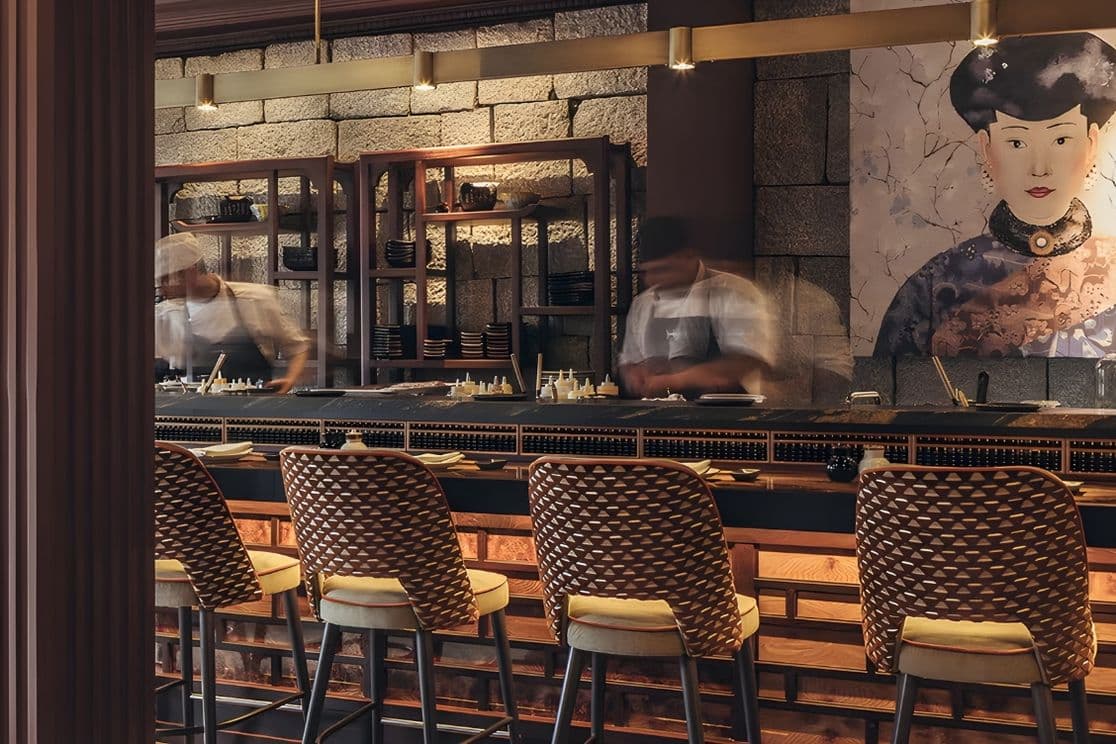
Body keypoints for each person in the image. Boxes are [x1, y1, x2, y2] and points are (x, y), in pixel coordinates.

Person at [875, 33, 1116, 357]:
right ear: (987, 149)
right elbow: (888, 382)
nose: (1039, 168)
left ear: (1090, 144)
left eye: (1060, 140)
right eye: (1017, 143)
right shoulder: (937, 283)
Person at [618, 217, 775, 397]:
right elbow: (629, 362)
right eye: (647, 271)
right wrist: (633, 374)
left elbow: (745, 361)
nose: (652, 279)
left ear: (689, 257)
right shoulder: (642, 304)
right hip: (659, 413)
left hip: (729, 412)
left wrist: (674, 381)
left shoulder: (734, 291)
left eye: (662, 269)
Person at [154, 232, 310, 393]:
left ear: (190, 272)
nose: (162, 289)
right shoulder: (166, 313)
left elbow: (298, 347)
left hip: (256, 404)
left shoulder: (255, 298)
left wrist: (290, 380)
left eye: (166, 279)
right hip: (191, 406)